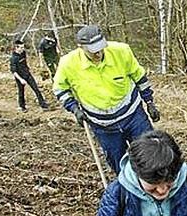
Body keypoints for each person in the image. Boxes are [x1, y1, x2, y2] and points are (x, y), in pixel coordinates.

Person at [53, 25, 160, 174]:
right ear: (81, 47)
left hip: (133, 115)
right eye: (93, 50)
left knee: (151, 154)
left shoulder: (121, 51)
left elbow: (139, 77)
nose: (98, 53)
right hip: (102, 125)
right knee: (118, 162)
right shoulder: (68, 64)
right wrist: (74, 109)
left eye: (100, 48)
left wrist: (149, 102)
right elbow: (60, 89)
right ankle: (130, 188)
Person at [10, 39, 48, 112]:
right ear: (16, 48)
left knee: (36, 89)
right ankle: (22, 106)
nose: (22, 49)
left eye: (23, 47)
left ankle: (43, 105)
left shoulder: (23, 53)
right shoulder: (13, 58)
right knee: (21, 92)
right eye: (21, 48)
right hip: (19, 77)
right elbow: (14, 71)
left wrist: (28, 68)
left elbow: (25, 62)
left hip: (27, 74)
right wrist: (21, 79)